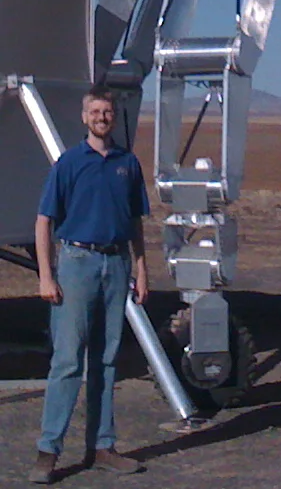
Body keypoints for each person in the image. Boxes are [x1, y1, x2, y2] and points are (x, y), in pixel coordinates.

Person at [29, 86, 150, 483]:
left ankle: (102, 447)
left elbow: (135, 221)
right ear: (84, 118)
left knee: (107, 359)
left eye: (107, 112)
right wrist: (46, 275)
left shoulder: (127, 164)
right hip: (77, 263)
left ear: (115, 117)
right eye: (95, 112)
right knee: (67, 361)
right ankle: (48, 451)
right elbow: (44, 221)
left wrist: (141, 269)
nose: (102, 117)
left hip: (116, 264)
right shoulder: (68, 163)